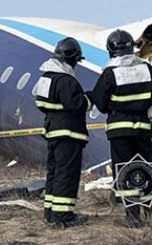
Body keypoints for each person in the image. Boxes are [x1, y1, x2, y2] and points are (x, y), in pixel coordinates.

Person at [89, 29, 152, 228]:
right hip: (143, 128)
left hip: (120, 130)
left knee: (125, 171)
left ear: (111, 50)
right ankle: (151, 207)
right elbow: (149, 95)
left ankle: (133, 216)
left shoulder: (110, 72)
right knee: (146, 167)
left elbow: (101, 103)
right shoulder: (147, 69)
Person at [33, 38, 91, 228]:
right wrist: (89, 98)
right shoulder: (66, 80)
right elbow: (77, 106)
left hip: (52, 131)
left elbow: (40, 103)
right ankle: (63, 216)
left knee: (55, 172)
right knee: (67, 173)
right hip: (68, 134)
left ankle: (50, 212)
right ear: (72, 59)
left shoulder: (46, 78)